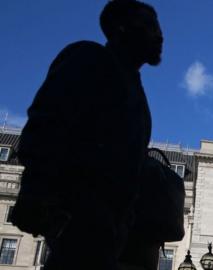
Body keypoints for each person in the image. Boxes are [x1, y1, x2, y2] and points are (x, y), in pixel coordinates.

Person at [11, 1, 163, 269]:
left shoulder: (136, 89)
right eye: (149, 26)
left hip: (114, 222)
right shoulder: (88, 58)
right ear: (121, 28)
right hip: (79, 207)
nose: (159, 35)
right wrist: (36, 190)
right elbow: (47, 120)